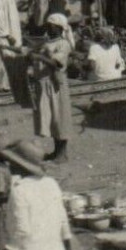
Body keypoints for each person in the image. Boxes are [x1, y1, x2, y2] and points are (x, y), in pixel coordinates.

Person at [29, 13, 77, 162]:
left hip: (56, 85)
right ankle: (56, 151)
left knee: (60, 117)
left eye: (52, 27)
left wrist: (39, 57)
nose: (49, 29)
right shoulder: (46, 43)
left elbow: (57, 64)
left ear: (59, 28)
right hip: (45, 85)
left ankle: (63, 153)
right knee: (52, 120)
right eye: (48, 26)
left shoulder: (63, 44)